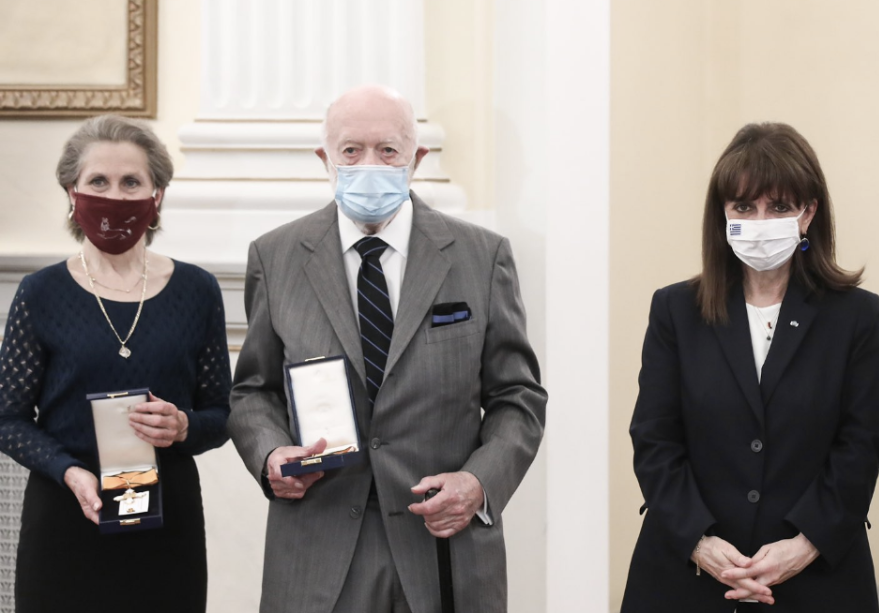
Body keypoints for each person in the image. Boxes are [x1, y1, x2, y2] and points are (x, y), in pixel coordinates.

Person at [228, 84, 546, 613]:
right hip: (318, 539)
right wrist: (269, 454)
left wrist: (478, 483)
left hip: (444, 539)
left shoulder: (481, 257)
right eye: (351, 150)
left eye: (389, 150)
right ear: (324, 159)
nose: (368, 163)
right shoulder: (276, 256)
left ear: (416, 159)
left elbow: (519, 397)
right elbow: (252, 392)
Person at [621, 122, 879, 612]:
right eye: (744, 207)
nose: (761, 220)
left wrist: (804, 545)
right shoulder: (675, 311)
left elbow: (863, 442)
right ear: (723, 214)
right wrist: (702, 544)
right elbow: (655, 439)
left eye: (780, 206)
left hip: (815, 576)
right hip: (690, 573)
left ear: (808, 213)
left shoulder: (855, 316)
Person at [0, 114, 231, 612]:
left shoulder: (197, 290)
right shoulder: (40, 292)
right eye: (98, 182)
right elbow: (7, 418)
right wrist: (68, 471)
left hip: (167, 520)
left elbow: (221, 414)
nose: (116, 196)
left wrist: (184, 425)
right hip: (66, 512)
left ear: (157, 195)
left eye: (132, 182)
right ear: (71, 192)